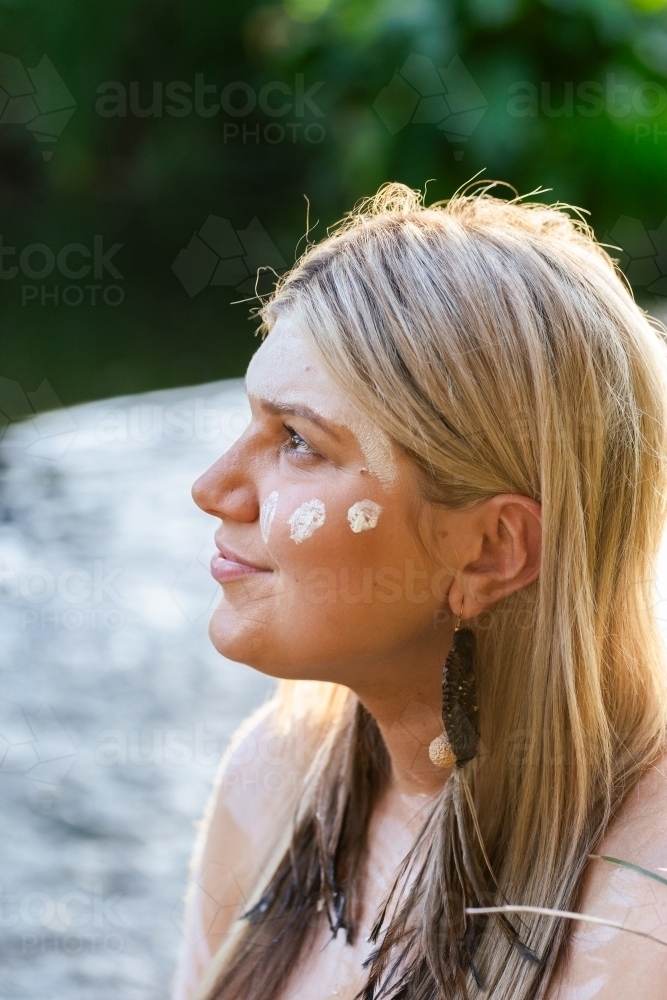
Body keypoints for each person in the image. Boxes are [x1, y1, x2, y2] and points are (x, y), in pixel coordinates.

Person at [173, 182, 667, 1000]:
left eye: (298, 442)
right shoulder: (275, 776)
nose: (212, 487)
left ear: (490, 552)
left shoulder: (640, 928)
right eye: (253, 421)